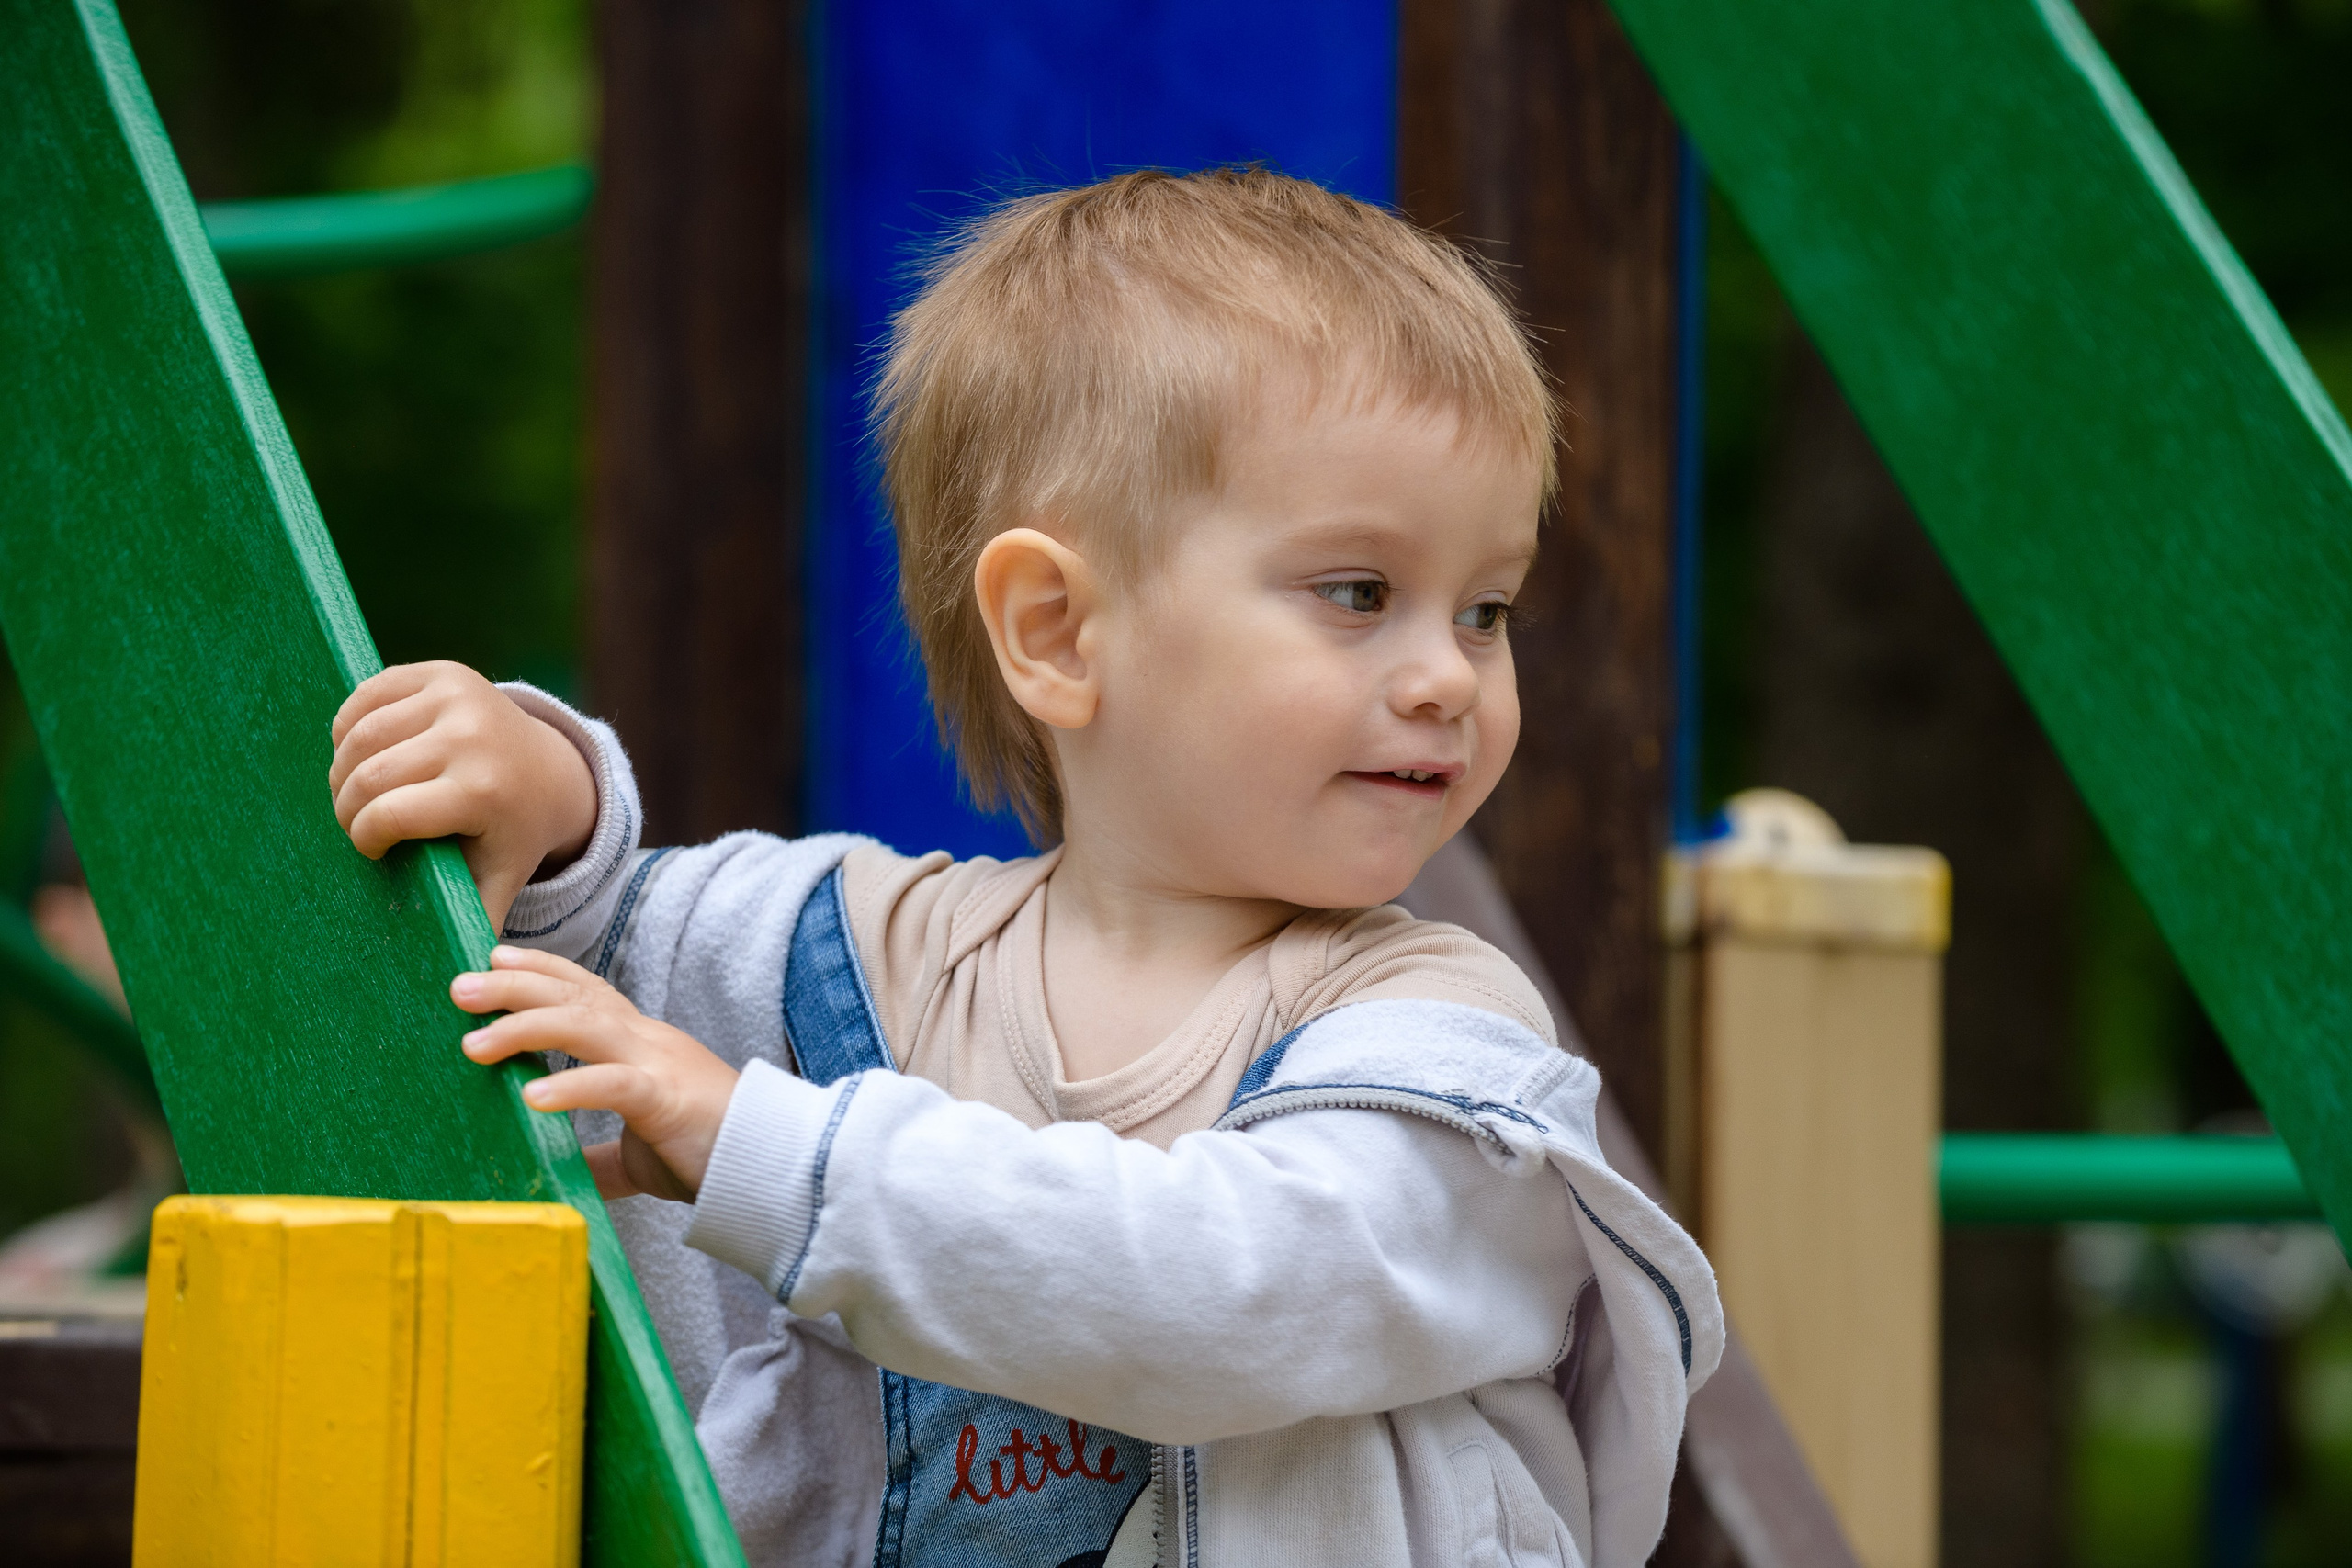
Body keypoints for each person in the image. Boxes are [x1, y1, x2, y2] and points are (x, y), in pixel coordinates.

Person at [326, 167, 1721, 1568]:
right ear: (1055, 631)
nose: (1445, 676)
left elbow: (1218, 1294)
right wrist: (545, 786)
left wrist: (770, 1152)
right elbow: (598, 943)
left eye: (1487, 610)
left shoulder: (1449, 1058)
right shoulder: (856, 961)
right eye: (1359, 594)